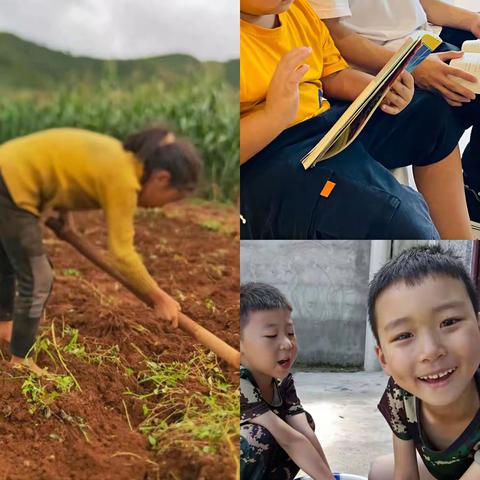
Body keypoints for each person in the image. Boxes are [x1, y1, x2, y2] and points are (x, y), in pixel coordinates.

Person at [240, 0, 471, 241]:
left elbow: (332, 73)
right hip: (270, 158)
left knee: (432, 116)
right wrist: (272, 117)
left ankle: (460, 242)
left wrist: (380, 90)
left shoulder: (298, 10)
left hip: (325, 127)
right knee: (392, 216)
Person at [0, 127, 202, 375]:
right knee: (38, 276)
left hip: (8, 171)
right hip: (11, 184)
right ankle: (21, 362)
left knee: (9, 261)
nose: (163, 206)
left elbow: (65, 170)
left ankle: (5, 326)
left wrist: (64, 216)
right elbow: (122, 254)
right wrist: (158, 296)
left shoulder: (120, 160)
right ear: (161, 178)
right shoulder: (124, 180)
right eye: (170, 198)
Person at [312, 0, 480, 221]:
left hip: (422, 41)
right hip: (378, 64)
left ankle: (471, 189)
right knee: (435, 119)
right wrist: (410, 65)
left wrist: (473, 20)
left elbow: (419, 4)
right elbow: (328, 34)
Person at [367, 245, 480, 479]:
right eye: (404, 335)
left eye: (449, 322)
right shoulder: (400, 394)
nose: (430, 351)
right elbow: (404, 474)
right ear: (384, 359)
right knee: (381, 472)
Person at [240, 282, 333, 480]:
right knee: (256, 438)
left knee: (305, 420)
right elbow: (291, 440)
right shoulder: (240, 382)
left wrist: (329, 477)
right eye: (271, 335)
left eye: (290, 333)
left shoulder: (281, 381)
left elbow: (303, 432)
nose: (287, 343)